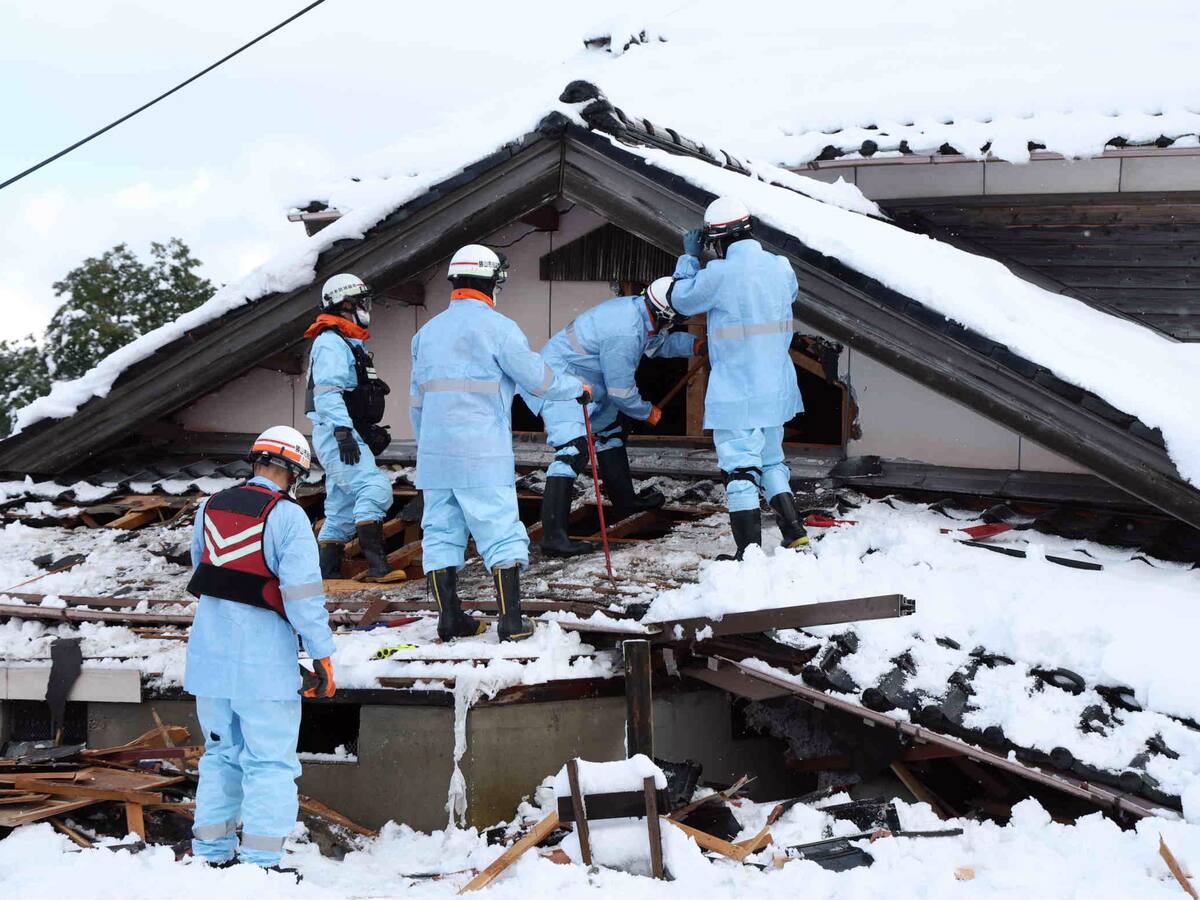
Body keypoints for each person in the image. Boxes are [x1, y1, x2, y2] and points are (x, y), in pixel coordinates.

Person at [410, 244, 588, 641]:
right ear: (492, 282)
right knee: (500, 530)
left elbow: (417, 403)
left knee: (439, 533)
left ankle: (450, 618)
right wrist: (577, 389)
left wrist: (429, 449)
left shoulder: (425, 335)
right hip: (482, 453)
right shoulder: (499, 328)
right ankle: (510, 622)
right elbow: (537, 380)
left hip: (435, 456)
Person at [184, 426, 336, 873]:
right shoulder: (288, 518)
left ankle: (211, 854)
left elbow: (202, 571)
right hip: (264, 666)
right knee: (269, 762)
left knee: (219, 756)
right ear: (295, 470)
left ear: (257, 460)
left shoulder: (209, 507)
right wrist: (321, 654)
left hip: (209, 661)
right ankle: (261, 863)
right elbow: (304, 598)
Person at [669, 196, 810, 560]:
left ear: (717, 240)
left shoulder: (718, 274)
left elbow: (681, 300)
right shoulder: (780, 267)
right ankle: (795, 534)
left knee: (740, 470)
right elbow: (787, 296)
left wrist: (689, 258)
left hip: (737, 390)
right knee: (772, 462)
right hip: (777, 387)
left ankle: (747, 552)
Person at [527, 277, 703, 557]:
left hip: (590, 379)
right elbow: (621, 392)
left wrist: (694, 346)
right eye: (674, 320)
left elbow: (656, 345)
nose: (673, 324)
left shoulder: (641, 310)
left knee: (611, 432)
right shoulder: (625, 332)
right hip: (559, 380)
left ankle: (626, 504)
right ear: (663, 313)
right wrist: (647, 412)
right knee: (573, 451)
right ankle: (554, 537)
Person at [304, 273, 404, 583]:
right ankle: (378, 568)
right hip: (337, 433)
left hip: (341, 430)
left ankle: (328, 573)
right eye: (362, 302)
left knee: (342, 505)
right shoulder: (332, 344)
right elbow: (328, 393)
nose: (366, 308)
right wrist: (344, 433)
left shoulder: (345, 343)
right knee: (374, 488)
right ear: (345, 304)